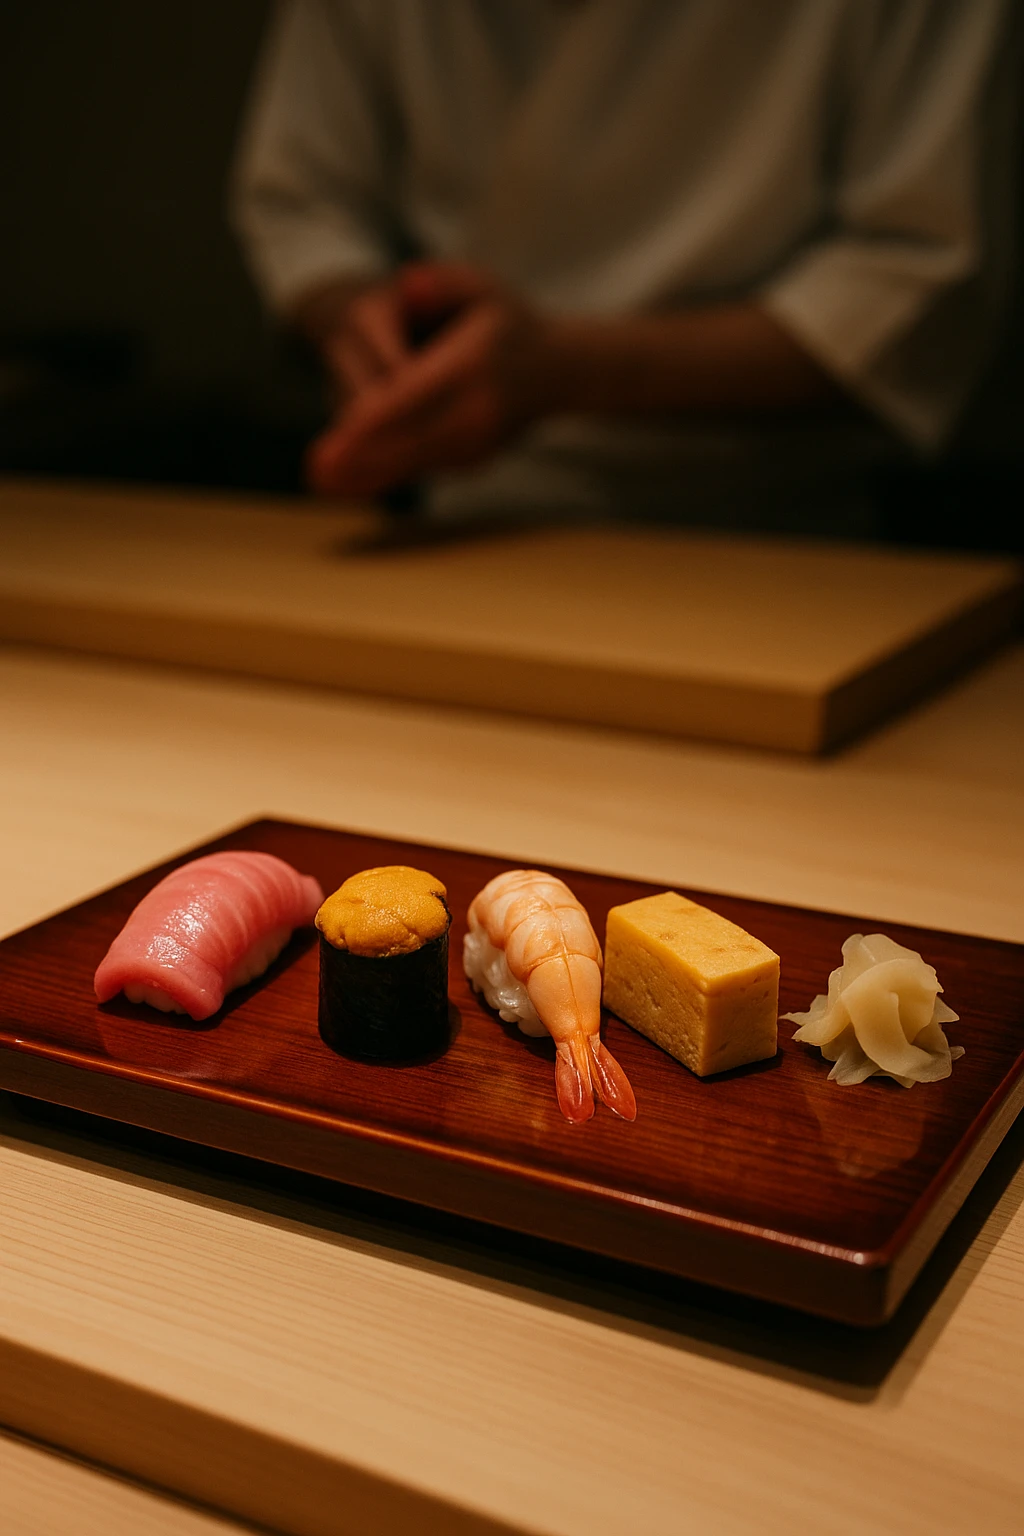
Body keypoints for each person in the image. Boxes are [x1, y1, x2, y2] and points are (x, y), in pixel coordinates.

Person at [232, 1, 1017, 528]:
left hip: (786, 531)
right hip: (462, 518)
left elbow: (917, 273)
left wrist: (562, 371)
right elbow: (305, 198)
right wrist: (354, 319)